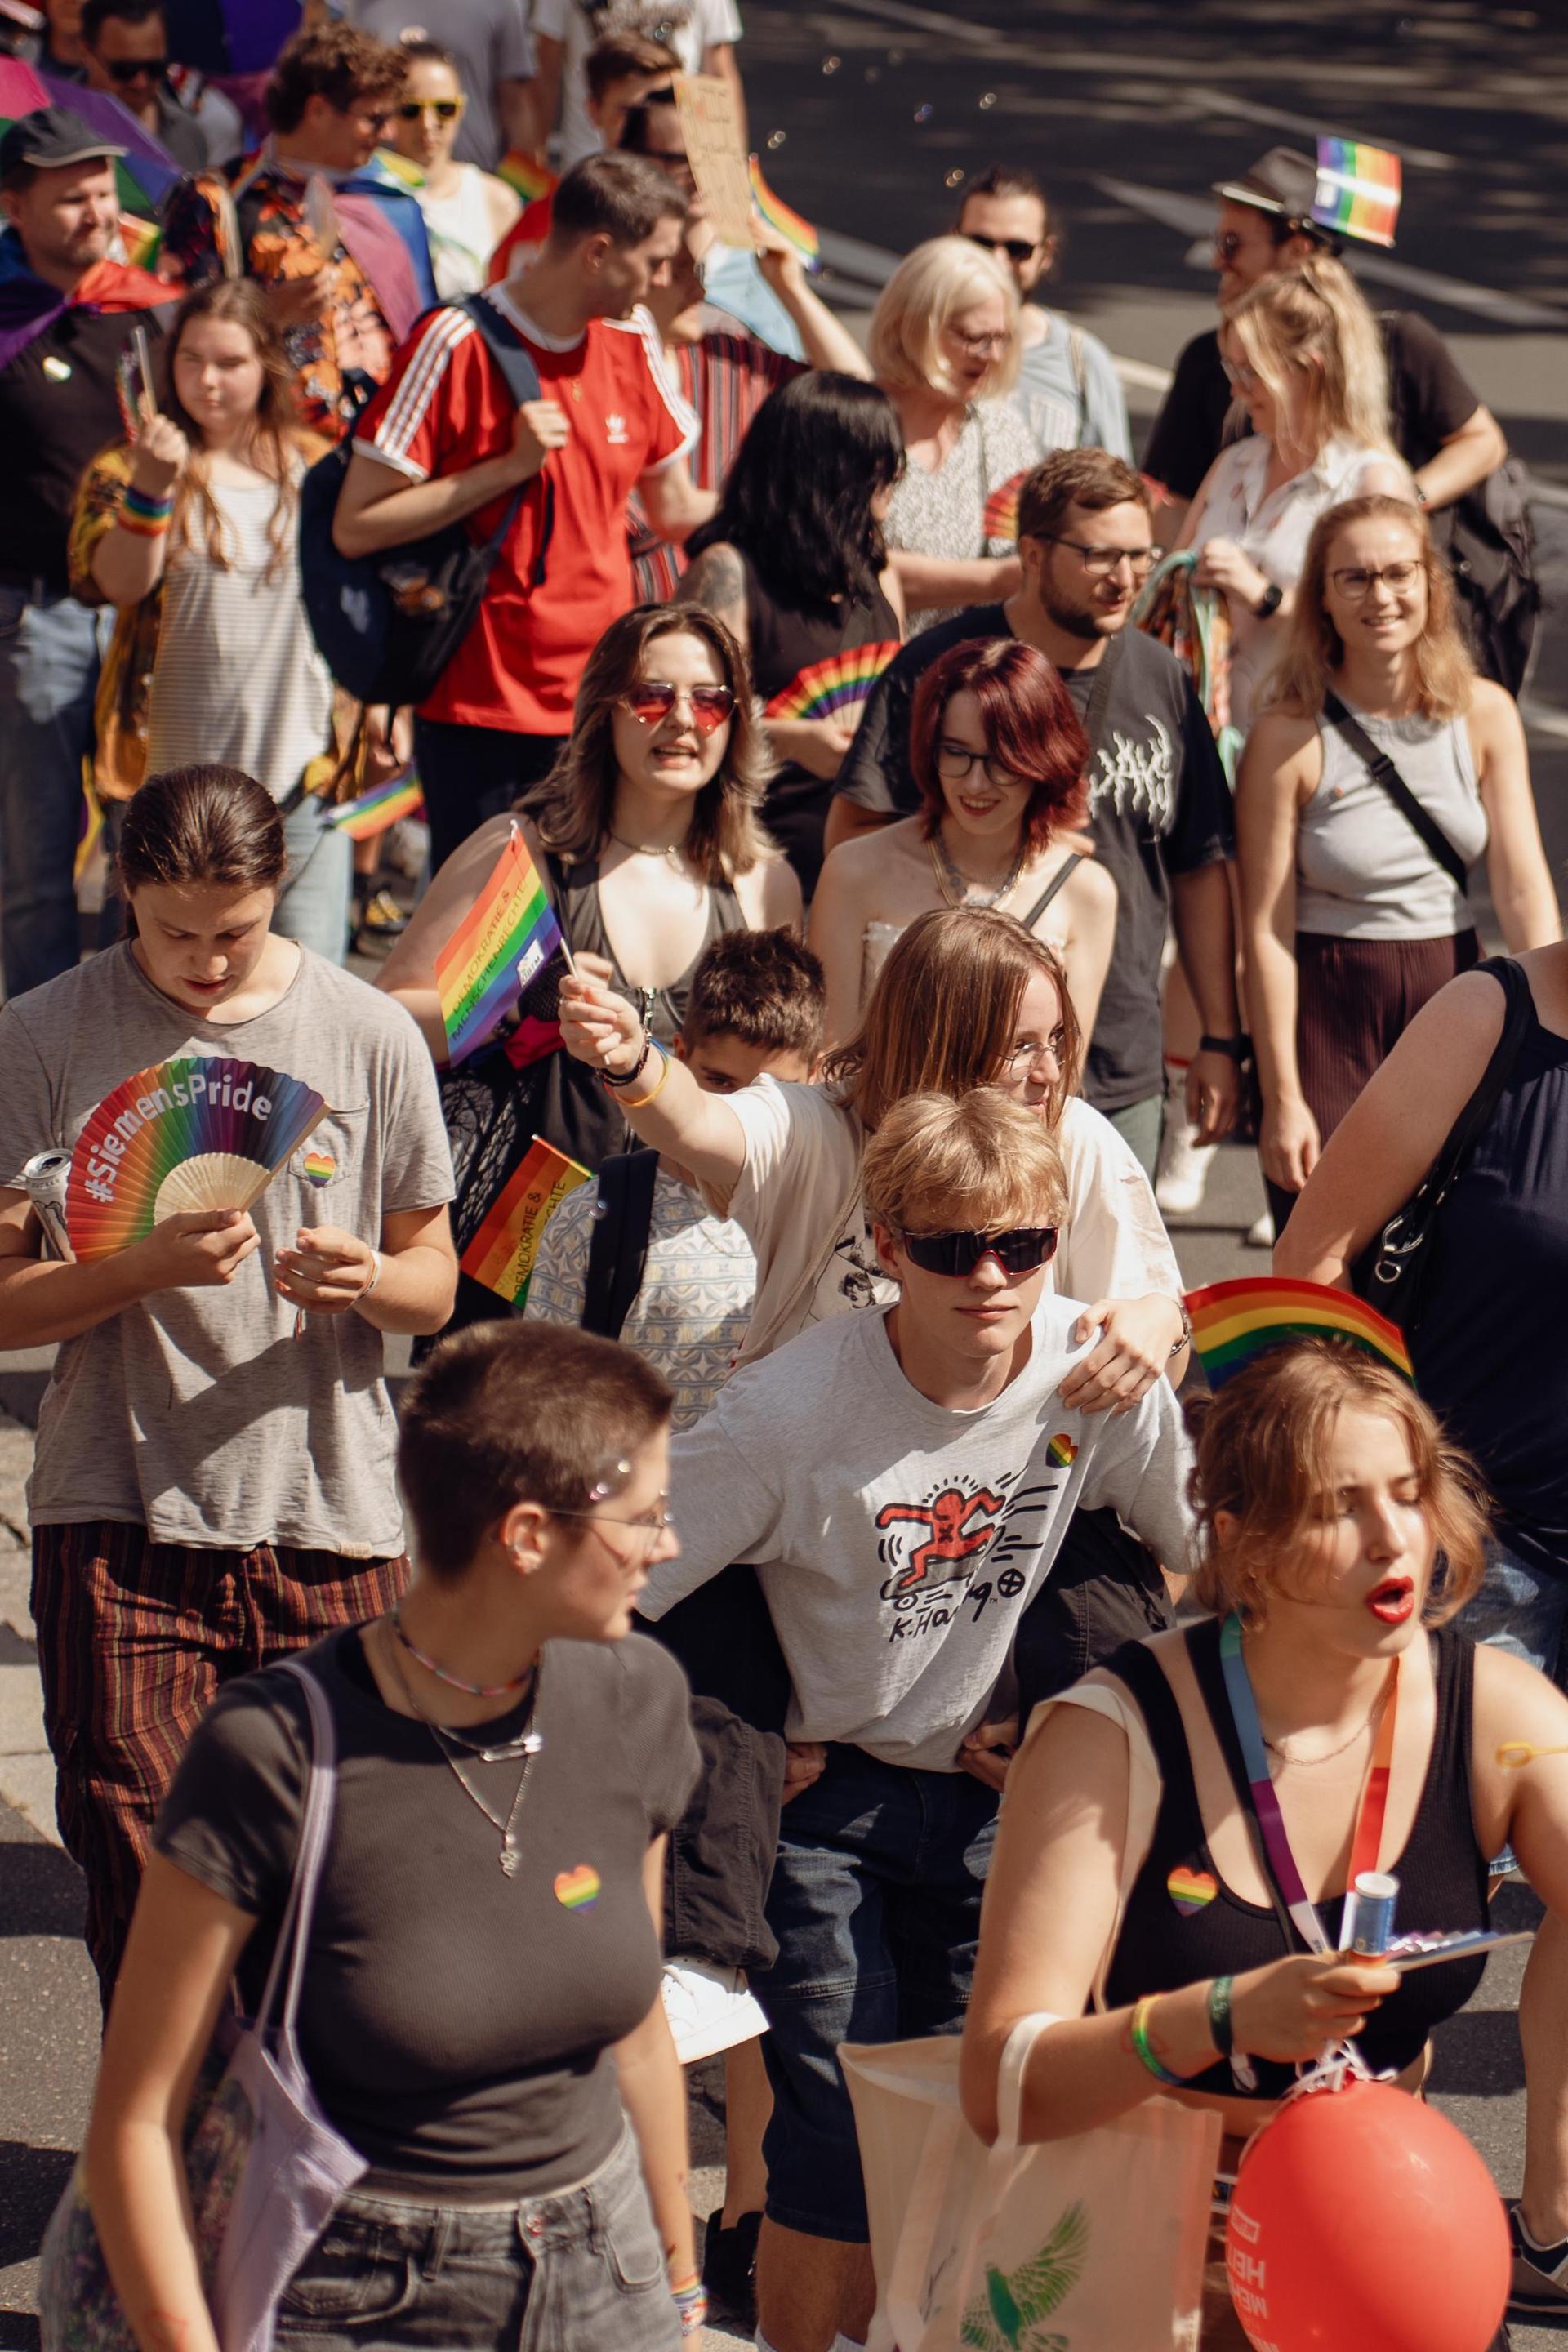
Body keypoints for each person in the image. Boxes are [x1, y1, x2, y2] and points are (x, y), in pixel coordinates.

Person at [634, 1086, 1196, 2352]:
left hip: (997, 1790)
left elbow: (1194, 1547)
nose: (990, 1278)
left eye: (1024, 1246)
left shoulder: (1091, 1377)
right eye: (950, 1248)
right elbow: (615, 1587)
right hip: (829, 1798)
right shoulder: (786, 1413)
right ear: (885, 1247)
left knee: (976, 2117)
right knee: (833, 2140)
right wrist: (724, 1753)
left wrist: (1073, 1709)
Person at [70, 1319, 705, 2351]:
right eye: (646, 1517)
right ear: (529, 1535)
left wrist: (676, 2282)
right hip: (363, 2293)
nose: (667, 1544)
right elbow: (137, 2121)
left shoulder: (641, 1698)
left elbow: (638, 2034)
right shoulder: (275, 1748)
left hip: (608, 2272)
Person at [959, 1330, 1566, 2352]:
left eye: (1410, 1493)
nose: (1394, 1539)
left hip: (1389, 2256)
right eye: (1341, 1507)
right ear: (1244, 1542)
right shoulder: (1110, 1732)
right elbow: (1000, 2083)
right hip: (1154, 2272)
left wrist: (1550, 2177)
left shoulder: (1496, 1713)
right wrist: (1222, 2015)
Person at [0, 764, 457, 2005]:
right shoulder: (44, 1031)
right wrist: (136, 1265)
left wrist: (367, 1279)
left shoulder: (367, 1035)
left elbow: (438, 1279)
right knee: (153, 1899)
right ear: (126, 895)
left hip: (333, 1521)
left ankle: (290, 2181)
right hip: (119, 1515)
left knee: (334, 1901)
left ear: (281, 894)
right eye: (173, 933)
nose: (203, 963)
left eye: (235, 933)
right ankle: (171, 2181)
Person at [1274, 949, 1568, 2318]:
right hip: (1467, 1548)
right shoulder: (1488, 1021)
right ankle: (1330, 2215)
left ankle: (1549, 2227)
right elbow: (1312, 1264)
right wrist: (1352, 1508)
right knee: (1391, 1922)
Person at [559, 902, 1191, 1401]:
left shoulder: (1072, 1136)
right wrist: (632, 1061)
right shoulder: (820, 1125)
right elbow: (698, 1125)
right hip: (817, 1499)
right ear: (939, 1041)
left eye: (1056, 1038)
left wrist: (1159, 1322)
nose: (1051, 1072)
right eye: (1020, 1046)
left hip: (1010, 1513)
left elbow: (1169, 1357)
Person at [381, 603, 798, 1326]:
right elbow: (383, 1021)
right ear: (604, 711)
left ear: (735, 722)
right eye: (650, 695)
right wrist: (516, 998)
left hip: (693, 1268)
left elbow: (792, 1083)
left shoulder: (763, 880)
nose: (680, 720)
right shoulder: (527, 851)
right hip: (520, 1247)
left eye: (708, 699)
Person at [831, 450, 1242, 1181]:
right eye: (1099, 555)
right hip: (936, 1074)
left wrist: (1219, 1034)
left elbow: (1200, 868)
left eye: (1140, 555)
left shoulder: (1163, 679)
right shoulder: (944, 671)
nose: (1125, 577)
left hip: (1117, 1062)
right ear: (1032, 553)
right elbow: (855, 839)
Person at [334, 151, 714, 870]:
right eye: (659, 262)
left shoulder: (634, 342)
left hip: (603, 707)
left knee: (585, 933)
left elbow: (675, 508)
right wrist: (504, 471)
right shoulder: (454, 341)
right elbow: (357, 525)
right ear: (600, 253)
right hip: (481, 710)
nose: (669, 281)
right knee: (487, 945)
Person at [1239, 494, 1559, 1230]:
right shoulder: (1287, 733)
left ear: (1430, 584)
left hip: (1459, 991)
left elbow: (1520, 884)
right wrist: (1282, 1094)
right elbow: (1265, 931)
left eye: (1398, 573)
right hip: (1329, 1006)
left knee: (1453, 1246)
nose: (1380, 596)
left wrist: (1550, 1037)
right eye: (1353, 578)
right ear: (1321, 594)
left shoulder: (1484, 713)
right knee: (1324, 1262)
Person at [70, 277, 381, 964]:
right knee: (160, 988)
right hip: (167, 789)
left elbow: (361, 595)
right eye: (190, 360)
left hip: (299, 775)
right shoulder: (129, 466)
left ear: (266, 365)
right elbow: (119, 583)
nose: (207, 381)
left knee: (307, 983)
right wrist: (152, 489)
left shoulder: (315, 465)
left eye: (230, 363)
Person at [0, 103, 170, 999]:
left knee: (139, 852)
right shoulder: (5, 315)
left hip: (144, 623)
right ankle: (34, 1061)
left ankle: (122, 1043)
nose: (98, 213)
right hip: (31, 618)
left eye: (103, 192)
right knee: (32, 870)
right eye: (71, 198)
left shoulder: (141, 310)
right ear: (15, 206)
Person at [528, 925, 825, 1428]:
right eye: (720, 1082)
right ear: (679, 1054)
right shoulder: (594, 1216)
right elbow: (542, 1400)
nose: (740, 1112)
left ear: (817, 1074)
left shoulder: (836, 1210)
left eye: (772, 1092)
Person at [1143, 144, 1508, 538]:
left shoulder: (1399, 341)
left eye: (1232, 245)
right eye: (1240, 371)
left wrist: (1395, 507)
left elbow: (1482, 442)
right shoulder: (1206, 357)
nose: (1217, 261)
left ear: (1297, 251)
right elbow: (1174, 500)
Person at [811, 635, 1116, 1054]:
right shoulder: (853, 869)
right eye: (956, 753)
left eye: (1000, 761)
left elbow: (1062, 1080)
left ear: (1044, 759)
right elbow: (827, 1062)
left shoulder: (1087, 893)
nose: (975, 783)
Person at [675, 372, 903, 893]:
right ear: (825, 469)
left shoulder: (875, 569)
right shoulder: (728, 573)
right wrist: (793, 740)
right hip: (758, 863)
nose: (893, 475)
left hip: (867, 859)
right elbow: (686, 717)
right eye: (877, 461)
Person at [159, 23, 437, 439]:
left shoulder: (391, 203)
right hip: (272, 447)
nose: (389, 134)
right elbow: (181, 336)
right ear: (318, 110)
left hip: (384, 447)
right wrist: (267, 314)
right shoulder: (219, 200)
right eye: (374, 118)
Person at [1177, 256, 1412, 733]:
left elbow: (1384, 639)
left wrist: (1263, 596)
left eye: (1251, 374)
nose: (1237, 392)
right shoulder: (1234, 464)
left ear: (1311, 371)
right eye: (1231, 370)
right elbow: (1169, 587)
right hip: (1205, 745)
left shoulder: (1368, 483)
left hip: (1305, 753)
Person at [869, 234, 1036, 629]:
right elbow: (854, 570)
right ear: (911, 326)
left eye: (1001, 338)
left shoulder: (1000, 429)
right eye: (975, 338)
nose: (993, 356)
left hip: (976, 678)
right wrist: (996, 580)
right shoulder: (852, 426)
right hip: (871, 676)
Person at [956, 163, 1133, 462]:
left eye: (1018, 249)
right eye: (981, 243)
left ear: (1046, 255)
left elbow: (1113, 490)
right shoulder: (921, 344)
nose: (998, 261)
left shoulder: (1082, 361)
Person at [486, 29, 681, 279]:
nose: (651, 123)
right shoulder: (554, 216)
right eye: (631, 112)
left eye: (666, 105)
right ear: (594, 111)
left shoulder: (710, 210)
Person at [530, 0, 744, 173]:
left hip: (671, 160)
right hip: (589, 159)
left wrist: (733, 165)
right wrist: (535, 160)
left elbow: (719, 75)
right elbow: (545, 73)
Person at [383, 38, 520, 297]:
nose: (428, 124)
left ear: (462, 108)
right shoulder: (367, 195)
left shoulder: (497, 200)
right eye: (411, 109)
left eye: (444, 108)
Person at [350, 0, 536, 172]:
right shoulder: (361, 6)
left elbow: (516, 107)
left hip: (476, 184)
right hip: (381, 186)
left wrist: (525, 191)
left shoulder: (500, 4)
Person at [78, 0, 216, 172]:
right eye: (125, 70)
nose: (140, 83)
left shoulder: (187, 134)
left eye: (155, 68)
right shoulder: (51, 128)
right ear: (86, 51)